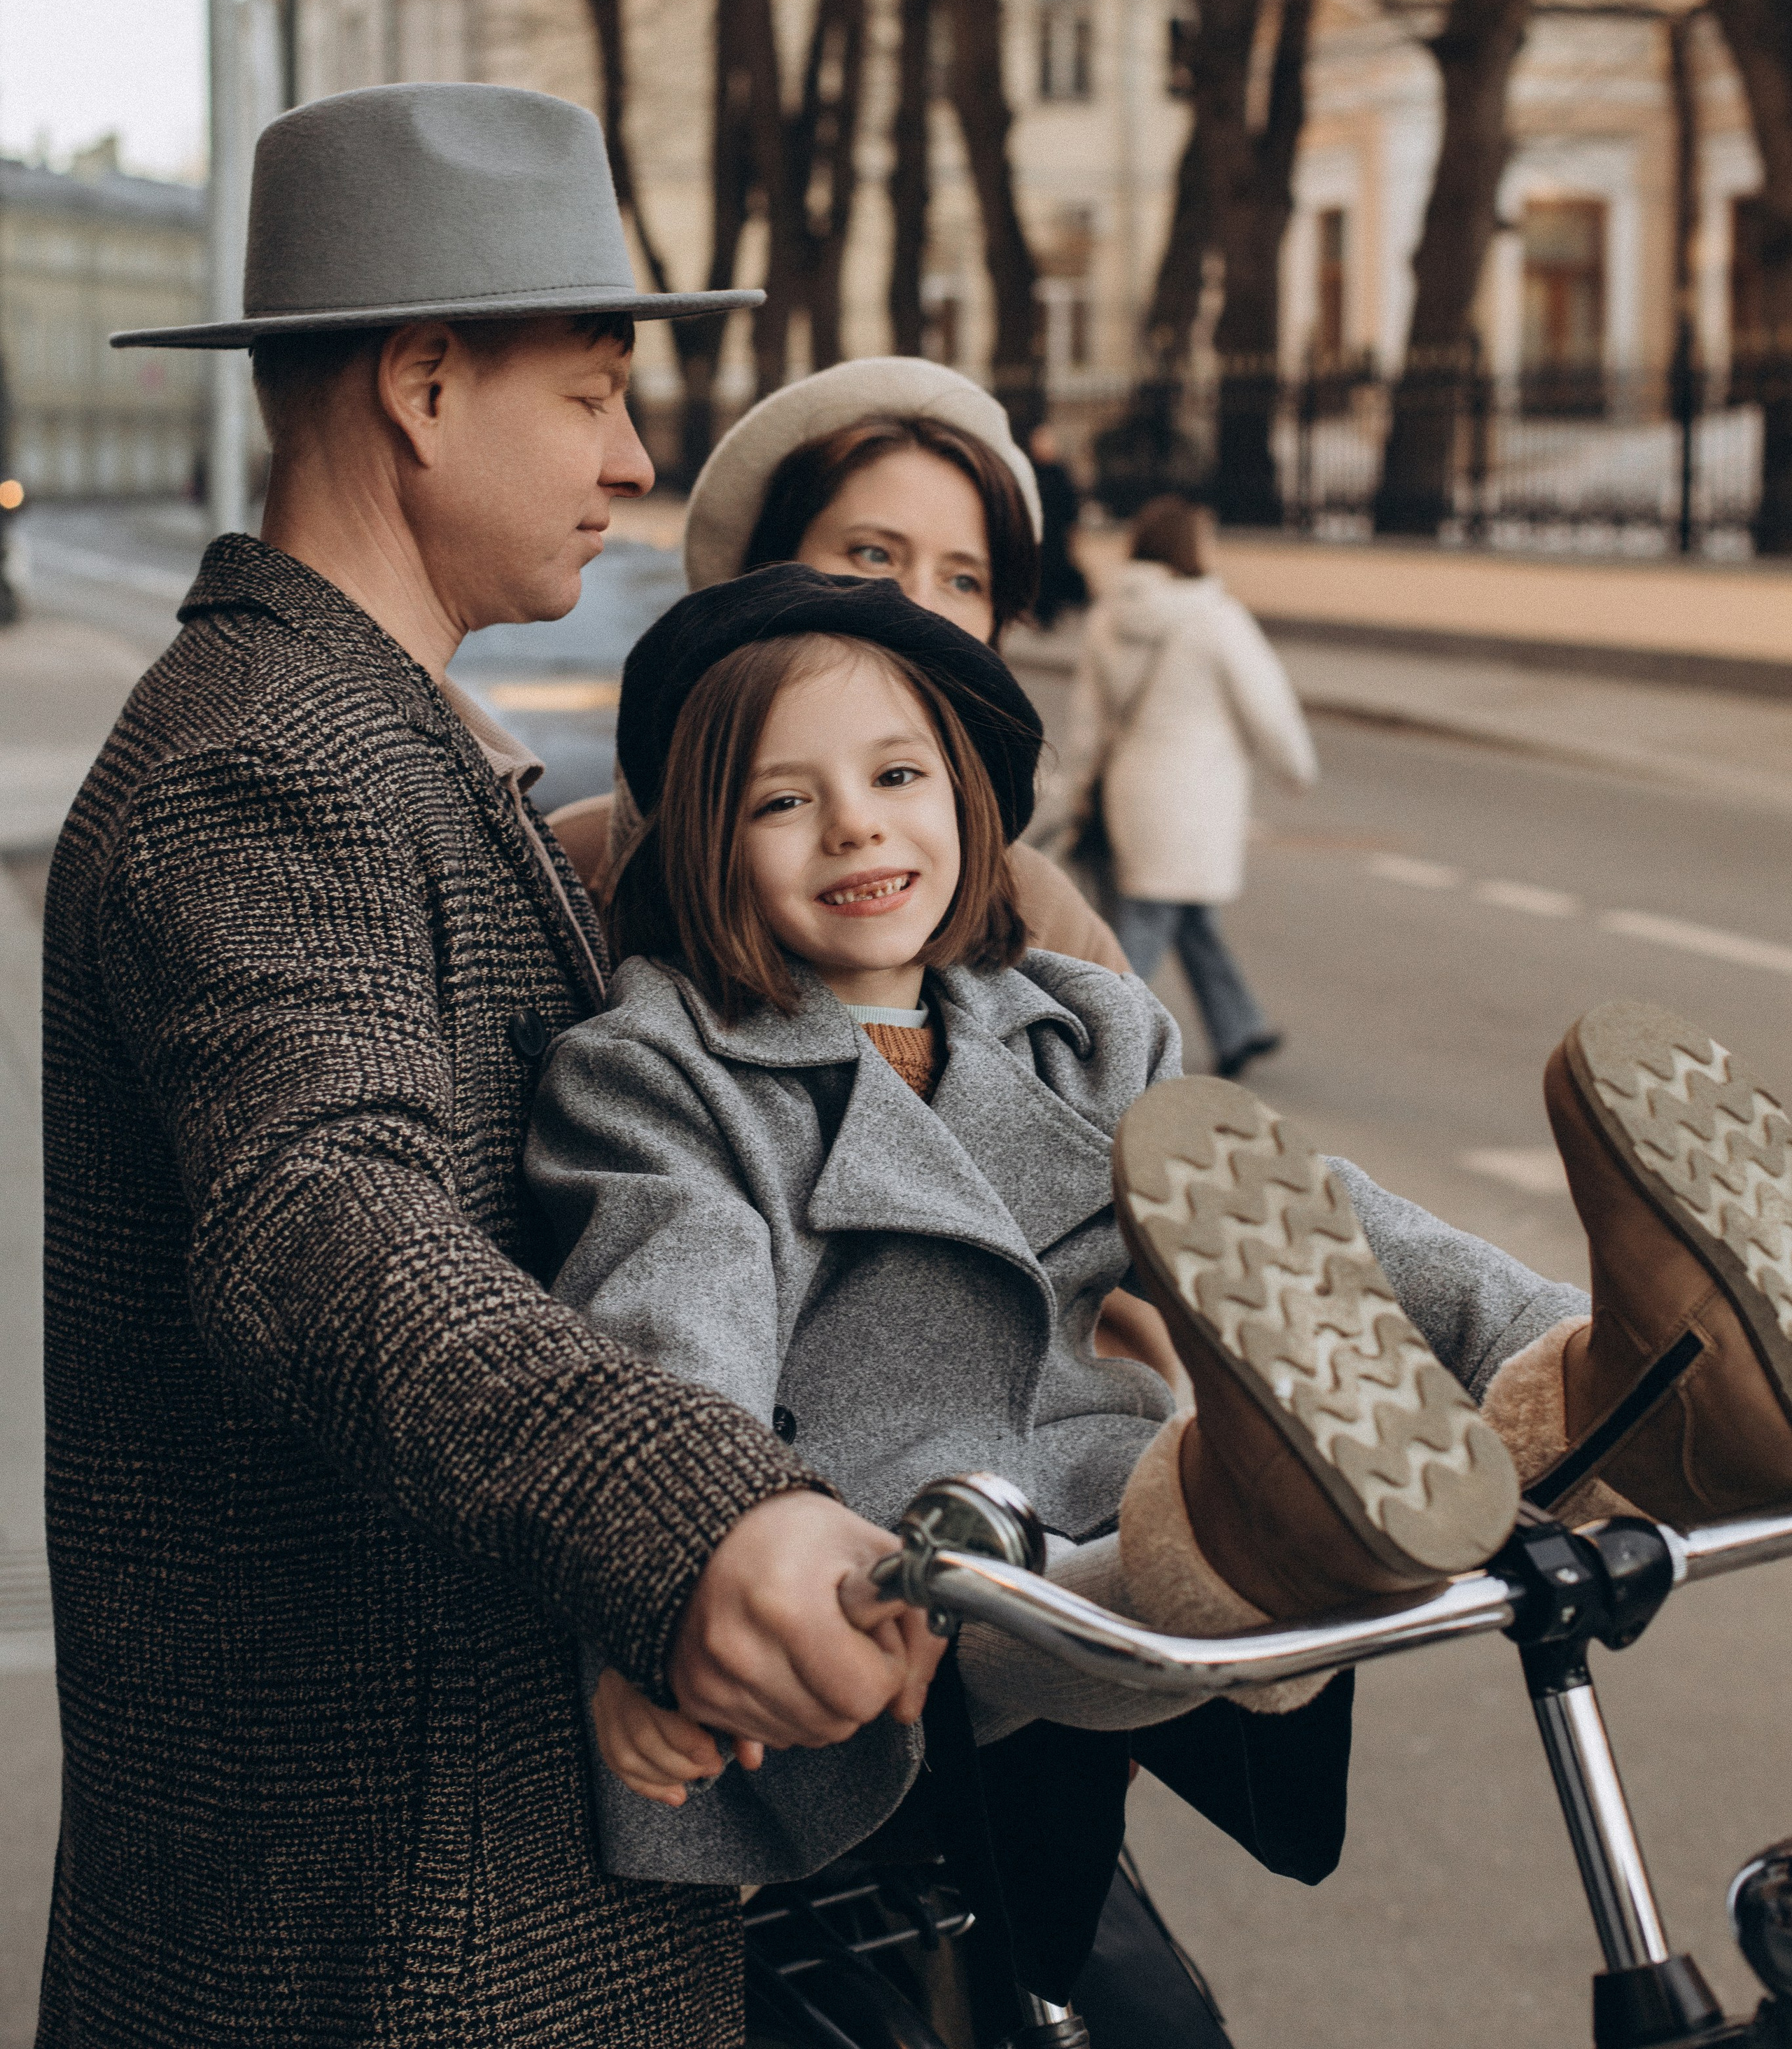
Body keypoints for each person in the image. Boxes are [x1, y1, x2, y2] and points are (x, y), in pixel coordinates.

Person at [524, 569, 1792, 2009]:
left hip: (1103, 1473)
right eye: (780, 803)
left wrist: (1520, 1324)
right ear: (701, 840)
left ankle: (1639, 1389)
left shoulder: (1078, 1028)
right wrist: (674, 1581)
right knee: (1120, 1558)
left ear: (969, 803)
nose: (857, 826)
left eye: (897, 775)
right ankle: (1278, 1514)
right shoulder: (660, 1068)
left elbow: (1323, 1229)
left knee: (1345, 1324)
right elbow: (667, 1331)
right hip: (888, 1569)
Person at [38, 85, 941, 2049]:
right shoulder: (269, 767)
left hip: (433, 1905)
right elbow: (319, 1223)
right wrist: (694, 1514)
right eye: (594, 389)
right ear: (425, 382)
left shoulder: (372, 733)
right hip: (387, 1936)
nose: (633, 453)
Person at [548, 356, 1129, 981]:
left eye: (965, 580)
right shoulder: (574, 872)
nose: (917, 606)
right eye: (874, 554)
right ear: (765, 574)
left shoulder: (1040, 915)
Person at [1040, 491, 1313, 1079]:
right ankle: (1086, 1043)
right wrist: (1296, 766)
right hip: (1196, 798)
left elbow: (1089, 718)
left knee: (1185, 916)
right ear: (1189, 547)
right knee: (1144, 926)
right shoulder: (1214, 617)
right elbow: (1265, 701)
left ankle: (1239, 1028)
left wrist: (1084, 784)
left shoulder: (1108, 616)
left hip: (1130, 793)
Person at [1026, 420, 1089, 627]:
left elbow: (1071, 505)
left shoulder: (1061, 473)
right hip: (1035, 534)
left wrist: (1072, 531)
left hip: (1056, 535)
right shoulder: (1030, 472)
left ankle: (1050, 613)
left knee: (1054, 572)